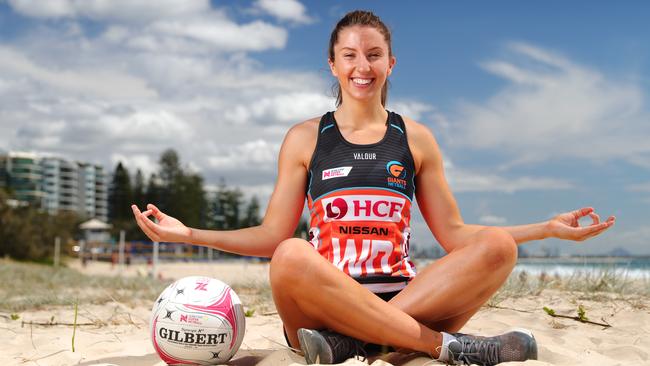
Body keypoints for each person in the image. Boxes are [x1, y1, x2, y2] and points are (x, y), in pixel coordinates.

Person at [132, 10, 615, 366]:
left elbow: (455, 235)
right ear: (332, 64)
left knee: (497, 247)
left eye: (373, 54)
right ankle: (442, 348)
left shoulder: (416, 137)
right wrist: (189, 234)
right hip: (319, 320)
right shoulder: (305, 138)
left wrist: (546, 229)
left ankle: (357, 345)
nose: (362, 66)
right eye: (350, 55)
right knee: (290, 254)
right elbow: (271, 234)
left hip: (404, 303)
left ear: (390, 64)